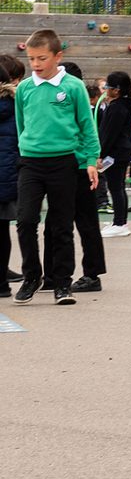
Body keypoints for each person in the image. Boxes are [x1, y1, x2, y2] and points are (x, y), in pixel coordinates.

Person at [13, 31, 98, 306]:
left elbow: (87, 126)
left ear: (57, 56)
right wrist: (28, 148)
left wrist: (90, 160)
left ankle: (62, 284)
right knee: (26, 221)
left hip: (64, 162)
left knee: (61, 225)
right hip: (31, 163)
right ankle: (31, 277)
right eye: (31, 59)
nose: (35, 64)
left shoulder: (73, 87)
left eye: (42, 58)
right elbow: (21, 125)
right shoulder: (25, 88)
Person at [61, 60, 107, 288]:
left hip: (80, 168)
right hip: (60, 167)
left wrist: (90, 160)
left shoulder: (79, 105)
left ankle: (92, 274)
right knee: (58, 225)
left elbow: (90, 135)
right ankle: (54, 275)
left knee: (86, 223)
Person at [97, 71, 131, 238]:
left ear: (117, 90)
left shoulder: (117, 108)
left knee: (115, 187)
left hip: (116, 153)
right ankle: (120, 221)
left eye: (108, 87)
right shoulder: (126, 104)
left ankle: (120, 223)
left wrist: (100, 155)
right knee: (118, 186)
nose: (105, 90)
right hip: (123, 150)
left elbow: (109, 134)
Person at [0, 56, 22, 298]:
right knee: (2, 231)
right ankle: (2, 283)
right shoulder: (15, 107)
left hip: (5, 175)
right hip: (9, 178)